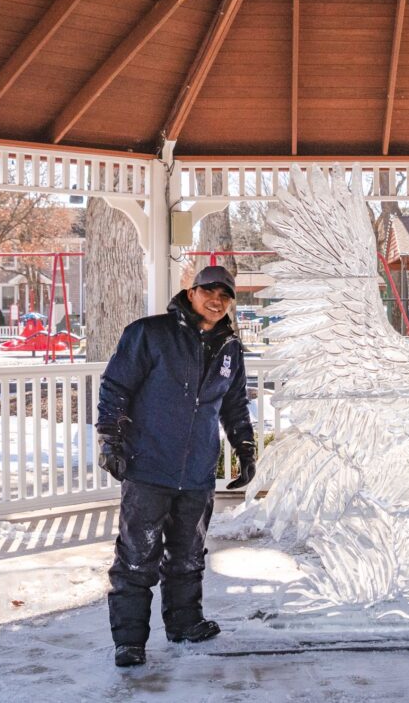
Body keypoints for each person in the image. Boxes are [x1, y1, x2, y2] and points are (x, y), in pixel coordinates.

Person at [96, 266, 256, 668]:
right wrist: (111, 441)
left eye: (225, 295)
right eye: (208, 291)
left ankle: (186, 623)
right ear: (191, 292)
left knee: (188, 554)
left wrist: (246, 447)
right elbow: (115, 388)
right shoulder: (149, 333)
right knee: (137, 556)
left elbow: (234, 403)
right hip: (148, 465)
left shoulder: (229, 348)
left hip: (198, 471)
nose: (216, 300)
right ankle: (130, 641)